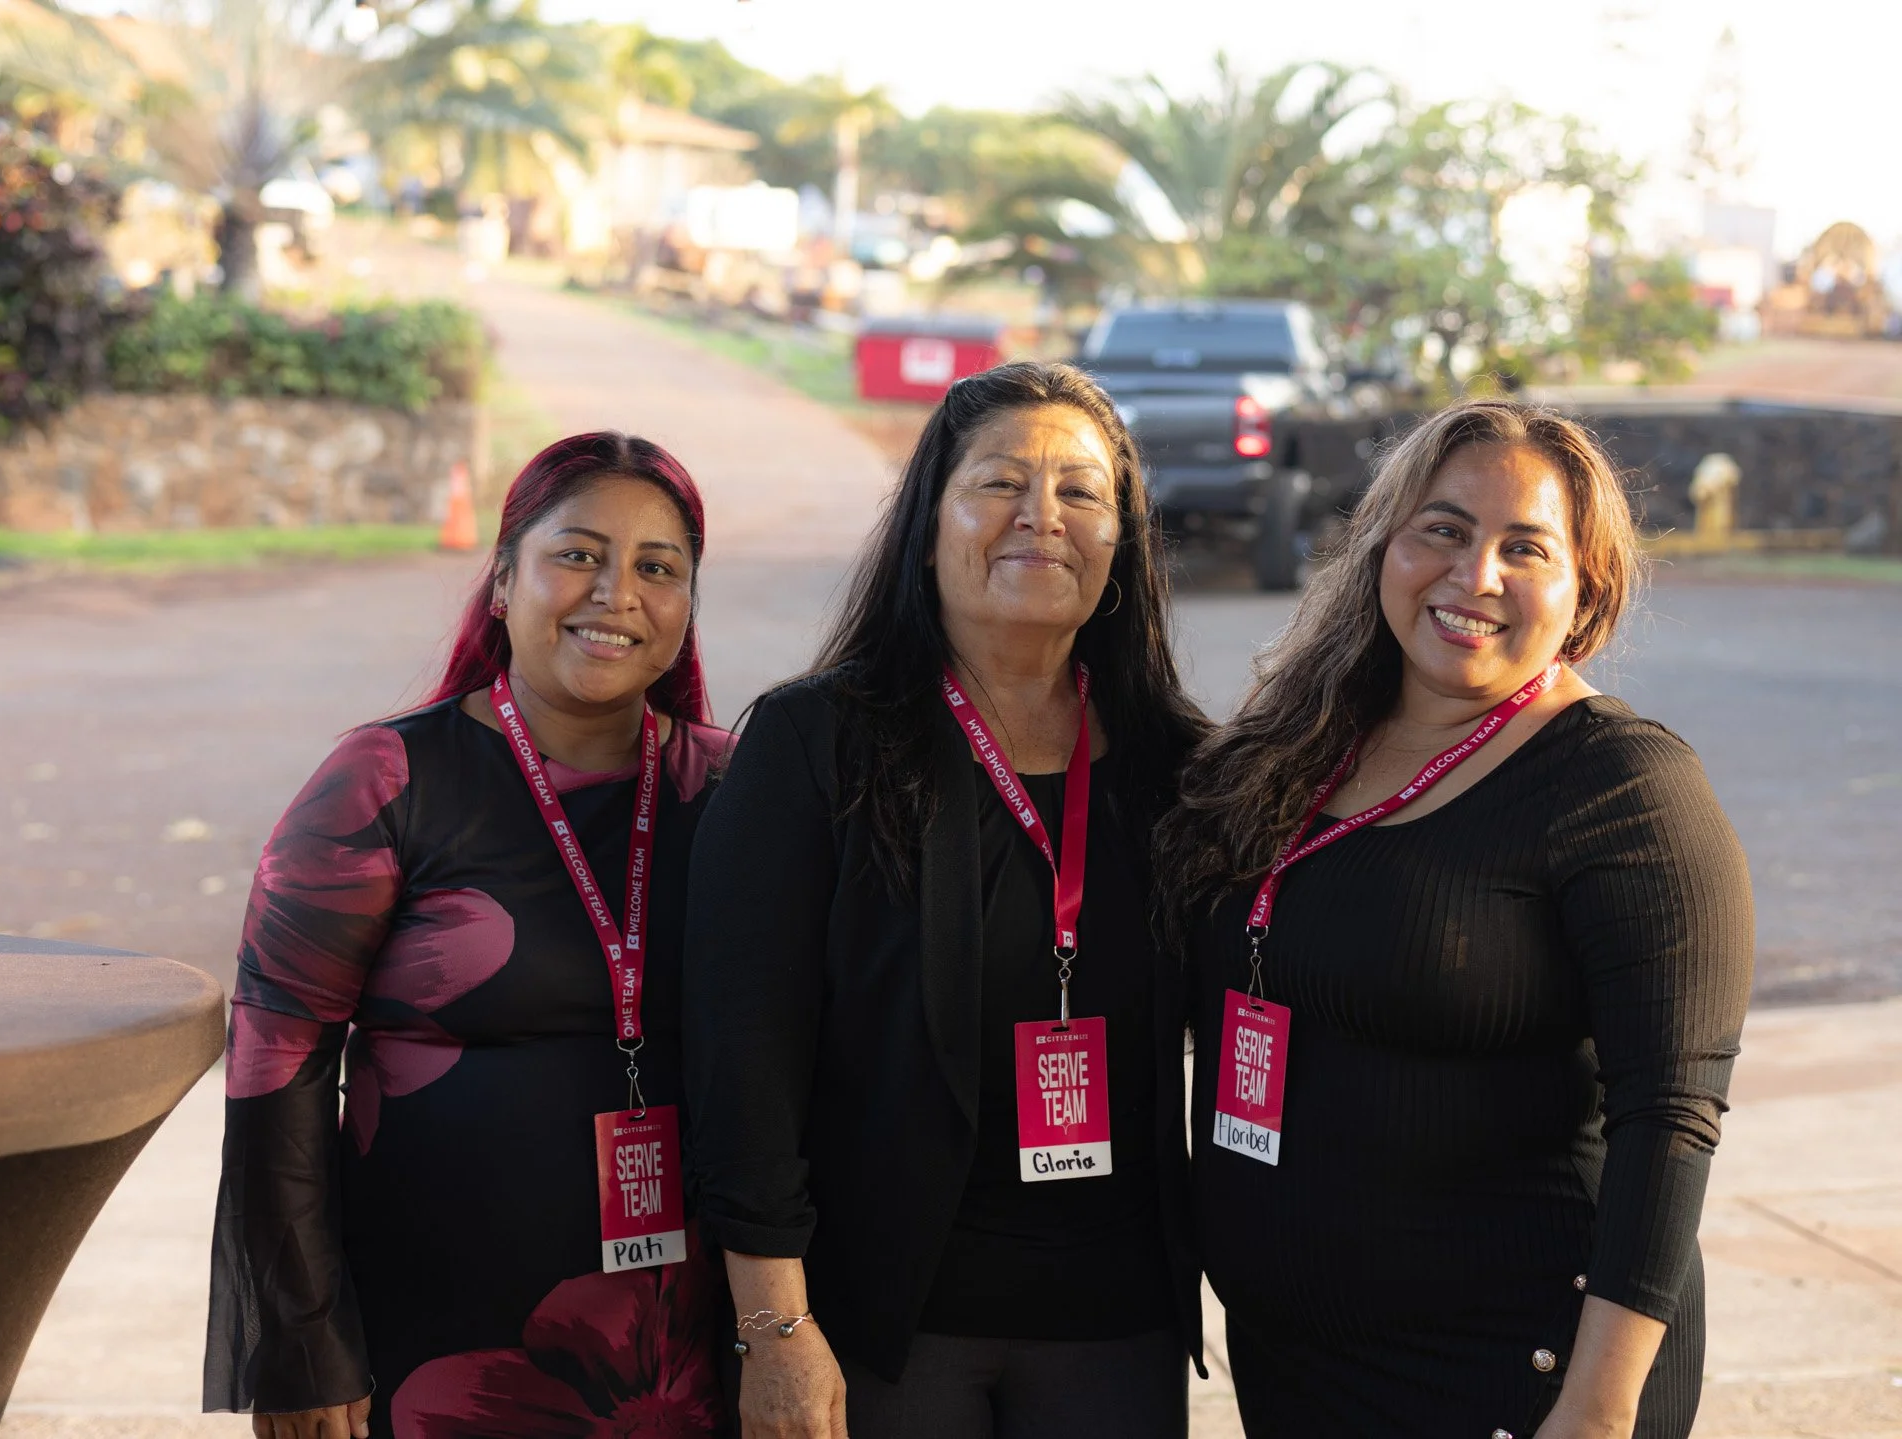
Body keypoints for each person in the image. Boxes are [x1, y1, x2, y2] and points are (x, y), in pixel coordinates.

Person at [1163, 400, 1754, 1439]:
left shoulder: (1621, 786)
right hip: (1302, 1367)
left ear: (1585, 592)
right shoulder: (1295, 748)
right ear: (1381, 545)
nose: (1472, 574)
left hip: (1517, 1375)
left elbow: (1668, 1119)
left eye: (1522, 546)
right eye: (1441, 527)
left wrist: (1596, 1408)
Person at [684, 361, 1211, 1439]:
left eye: (1078, 490)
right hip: (886, 1328)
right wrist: (774, 1329)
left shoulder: (1181, 769)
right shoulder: (813, 745)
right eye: (998, 483)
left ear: (1120, 544)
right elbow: (744, 1054)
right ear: (926, 526)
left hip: (1117, 1327)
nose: (1040, 517)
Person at [205, 432, 733, 1439]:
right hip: (428, 1336)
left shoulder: (734, 789)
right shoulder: (387, 781)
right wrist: (301, 1338)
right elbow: (276, 1062)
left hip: (678, 1351)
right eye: (576, 553)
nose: (615, 593)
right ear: (500, 582)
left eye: (657, 568)